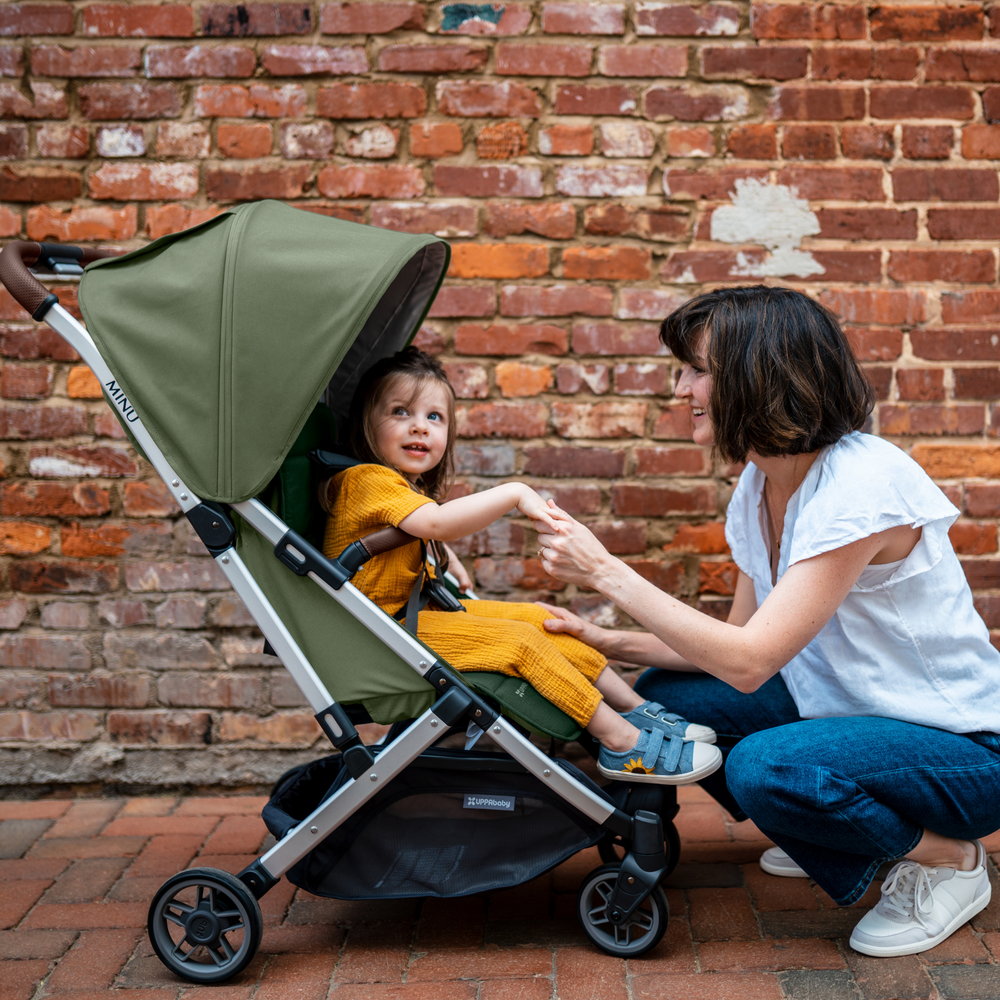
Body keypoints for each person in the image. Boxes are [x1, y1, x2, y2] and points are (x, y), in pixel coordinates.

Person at [535, 285, 1000, 957]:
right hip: (853, 716)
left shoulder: (859, 485)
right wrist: (603, 639)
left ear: (758, 376)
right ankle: (834, 832)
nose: (680, 389)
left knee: (765, 768)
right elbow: (732, 645)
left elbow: (751, 661)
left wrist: (605, 570)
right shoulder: (759, 488)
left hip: (966, 752)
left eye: (696, 370)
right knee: (670, 698)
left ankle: (945, 860)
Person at [322, 347, 722, 785]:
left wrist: (443, 556)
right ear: (367, 421)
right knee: (517, 642)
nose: (419, 425)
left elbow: (412, 529)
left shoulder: (395, 486)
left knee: (542, 618)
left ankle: (634, 709)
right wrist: (515, 492)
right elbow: (433, 521)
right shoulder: (366, 479)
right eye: (400, 412)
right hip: (380, 636)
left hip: (410, 620)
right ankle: (622, 743)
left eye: (434, 417)